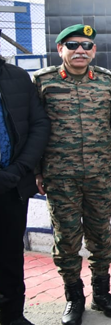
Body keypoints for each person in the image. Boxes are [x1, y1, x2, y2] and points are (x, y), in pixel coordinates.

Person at [34, 24, 111, 324]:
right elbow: (33, 127)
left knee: (101, 236)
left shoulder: (106, 80)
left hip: (100, 173)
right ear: (60, 49)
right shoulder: (43, 82)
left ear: (94, 51)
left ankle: (102, 293)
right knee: (67, 239)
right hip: (60, 176)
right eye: (72, 45)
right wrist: (37, 170)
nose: (80, 51)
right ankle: (74, 298)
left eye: (86, 46)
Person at [0, 54, 50, 325]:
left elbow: (39, 125)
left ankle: (12, 315)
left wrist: (20, 169)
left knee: (10, 253)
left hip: (13, 183)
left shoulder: (17, 77)